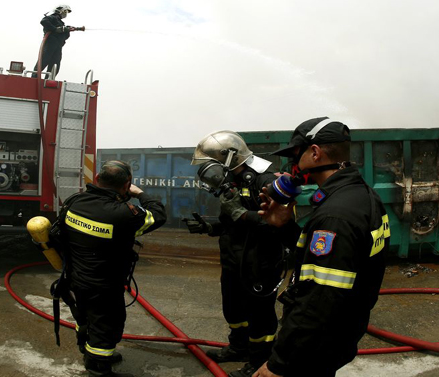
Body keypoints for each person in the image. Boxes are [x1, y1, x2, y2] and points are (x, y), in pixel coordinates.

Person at [253, 117, 390, 377]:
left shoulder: (336, 215)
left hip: (314, 347)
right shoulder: (361, 195)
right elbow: (328, 260)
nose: (292, 167)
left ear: (314, 153)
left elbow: (318, 302)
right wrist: (284, 226)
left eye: (295, 156)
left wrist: (279, 364)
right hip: (338, 334)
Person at [185, 130, 299, 377]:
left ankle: (259, 362)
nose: (210, 170)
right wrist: (210, 226)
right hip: (234, 259)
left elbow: (279, 224)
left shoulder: (264, 180)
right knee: (233, 308)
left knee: (260, 315)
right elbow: (231, 221)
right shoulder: (231, 181)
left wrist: (241, 215)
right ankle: (238, 347)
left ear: (229, 157)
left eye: (212, 163)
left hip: (261, 261)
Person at [62, 160, 167, 377]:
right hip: (105, 286)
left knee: (84, 318)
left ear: (98, 179)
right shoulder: (124, 215)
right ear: (127, 184)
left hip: (76, 279)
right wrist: (140, 193)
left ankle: (89, 351)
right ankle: (98, 366)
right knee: (106, 327)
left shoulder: (75, 202)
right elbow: (158, 214)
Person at [33, 4, 75, 78]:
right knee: (43, 61)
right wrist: (55, 29)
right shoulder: (52, 18)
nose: (65, 14)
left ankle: (48, 80)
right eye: (65, 11)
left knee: (55, 65)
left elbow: (65, 37)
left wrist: (67, 30)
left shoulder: (62, 23)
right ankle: (34, 78)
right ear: (60, 10)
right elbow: (44, 21)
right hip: (50, 43)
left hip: (58, 46)